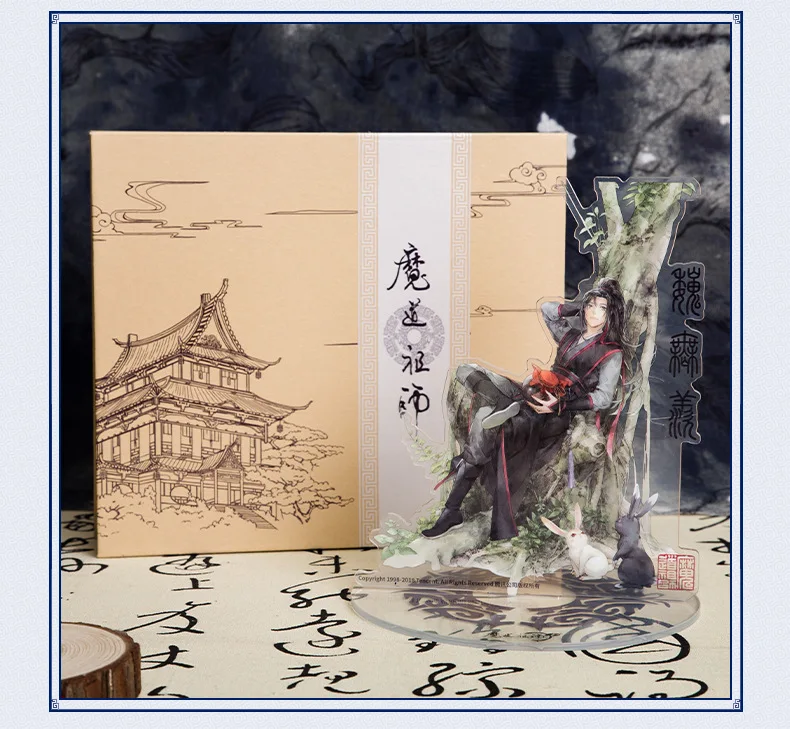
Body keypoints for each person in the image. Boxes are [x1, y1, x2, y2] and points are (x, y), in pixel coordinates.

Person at [422, 278, 626, 541]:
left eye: (602, 308)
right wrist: (578, 305)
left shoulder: (610, 352)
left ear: (611, 314)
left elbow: (603, 398)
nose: (594, 312)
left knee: (487, 420)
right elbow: (547, 310)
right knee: (467, 370)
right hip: (537, 388)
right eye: (591, 305)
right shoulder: (570, 335)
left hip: (557, 410)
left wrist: (560, 404)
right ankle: (504, 404)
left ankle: (451, 510)